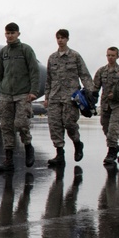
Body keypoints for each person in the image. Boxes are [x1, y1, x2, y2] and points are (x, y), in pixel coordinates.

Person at [0, 22, 40, 173]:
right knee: (6, 126)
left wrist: (33, 91)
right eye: (7, 33)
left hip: (22, 93)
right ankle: (8, 160)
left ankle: (28, 147)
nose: (10, 36)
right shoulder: (3, 52)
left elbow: (34, 71)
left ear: (18, 34)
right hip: (5, 94)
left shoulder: (25, 50)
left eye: (12, 33)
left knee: (21, 123)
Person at [43, 29, 93, 167]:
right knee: (54, 125)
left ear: (67, 39)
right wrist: (46, 97)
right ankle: (59, 154)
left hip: (71, 97)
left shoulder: (75, 56)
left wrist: (90, 93)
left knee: (69, 123)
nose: (60, 40)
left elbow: (85, 74)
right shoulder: (52, 58)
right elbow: (49, 79)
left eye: (63, 38)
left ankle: (77, 143)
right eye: (58, 38)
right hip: (54, 96)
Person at [92, 47, 119, 167]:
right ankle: (114, 146)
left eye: (112, 55)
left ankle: (111, 152)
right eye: (108, 55)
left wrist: (117, 94)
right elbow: (96, 87)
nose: (110, 58)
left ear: (117, 57)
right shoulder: (102, 71)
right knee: (105, 126)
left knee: (113, 129)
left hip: (118, 105)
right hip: (105, 104)